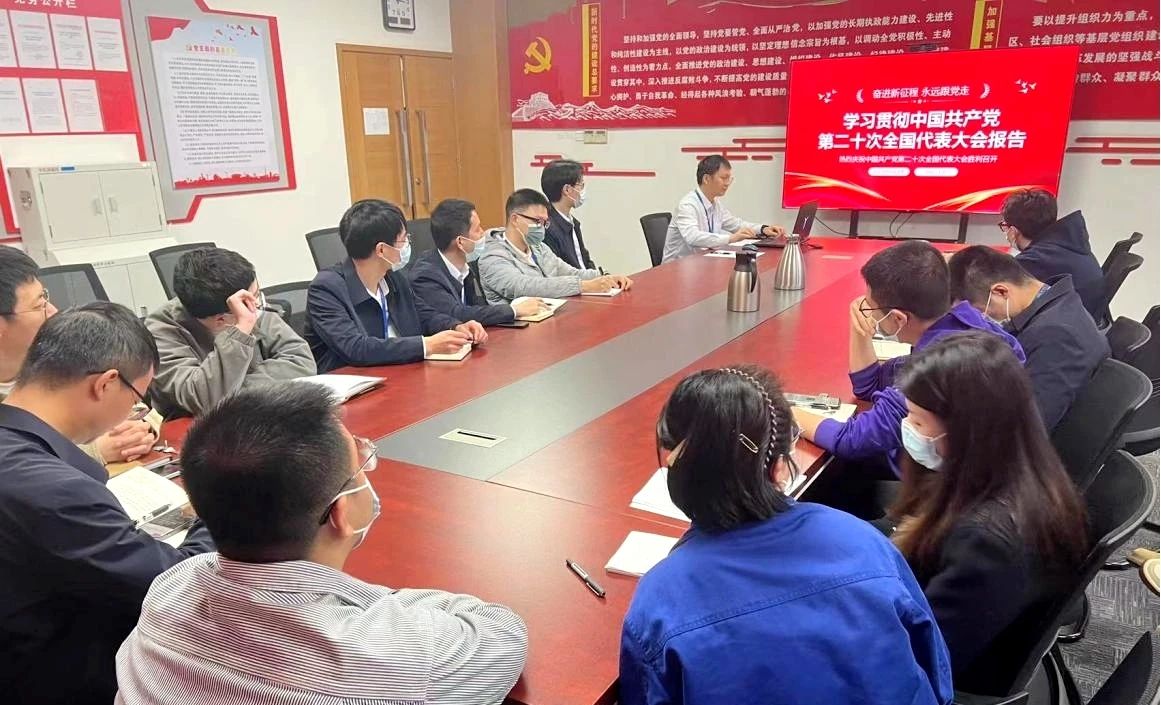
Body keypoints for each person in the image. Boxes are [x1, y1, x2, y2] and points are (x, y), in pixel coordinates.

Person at [116, 382, 528, 704]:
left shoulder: (170, 588)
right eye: (361, 464)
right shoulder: (390, 659)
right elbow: (502, 633)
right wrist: (376, 602)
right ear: (340, 512)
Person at [619, 365, 953, 705]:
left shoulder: (659, 602)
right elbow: (936, 677)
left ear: (674, 467)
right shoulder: (866, 543)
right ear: (780, 467)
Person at [0, 303, 214, 705]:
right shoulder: (55, 490)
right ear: (106, 384)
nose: (134, 411)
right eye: (137, 398)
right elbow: (176, 584)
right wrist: (217, 507)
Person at [891, 332, 1088, 695]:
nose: (908, 429)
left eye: (917, 421)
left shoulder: (988, 542)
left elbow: (923, 659)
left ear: (966, 429)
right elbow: (907, 526)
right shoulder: (1004, 468)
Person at [794, 240, 1024, 477]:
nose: (867, 312)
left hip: (945, 484)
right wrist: (859, 327)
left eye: (870, 308)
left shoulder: (941, 363)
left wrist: (787, 412)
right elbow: (869, 386)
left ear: (899, 319)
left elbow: (851, 439)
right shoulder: (960, 324)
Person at [0, 247, 159, 464]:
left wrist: (142, 430)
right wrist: (92, 452)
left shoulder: (51, 355)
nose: (54, 312)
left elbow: (139, 403)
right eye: (39, 306)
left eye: (46, 298)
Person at [306, 199, 485, 371]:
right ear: (381, 250)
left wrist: (455, 326)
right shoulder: (326, 289)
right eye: (403, 240)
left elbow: (424, 315)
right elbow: (356, 348)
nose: (408, 245)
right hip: (355, 383)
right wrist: (427, 345)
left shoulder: (393, 278)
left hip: (403, 373)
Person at [949, 245, 1109, 430]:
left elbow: (1030, 425)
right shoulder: (1056, 307)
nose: (983, 318)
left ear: (1001, 292)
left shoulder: (1057, 336)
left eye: (980, 311)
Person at [146, 247, 316, 417]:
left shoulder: (249, 302)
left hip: (260, 412)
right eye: (251, 300)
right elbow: (203, 398)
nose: (258, 304)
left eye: (257, 294)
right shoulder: (160, 330)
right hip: (195, 427)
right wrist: (241, 331)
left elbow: (301, 360)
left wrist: (232, 390)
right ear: (221, 319)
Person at [479, 189, 633, 304]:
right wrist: (583, 286)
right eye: (537, 221)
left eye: (545, 223)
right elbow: (523, 287)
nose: (541, 227)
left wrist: (604, 277)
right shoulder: (492, 256)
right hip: (515, 330)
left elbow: (568, 272)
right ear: (515, 219)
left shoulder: (538, 248)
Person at [410, 198, 548, 325]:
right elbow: (458, 314)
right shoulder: (425, 276)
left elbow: (478, 308)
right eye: (477, 230)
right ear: (460, 242)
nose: (483, 233)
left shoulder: (466, 266)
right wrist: (514, 310)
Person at [660, 155, 785, 263]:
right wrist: (730, 238)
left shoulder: (715, 203)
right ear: (706, 179)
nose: (727, 183)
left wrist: (763, 229)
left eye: (729, 179)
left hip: (702, 263)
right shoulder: (688, 205)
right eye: (724, 178)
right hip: (676, 269)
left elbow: (736, 224)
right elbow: (692, 237)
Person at [1000, 189, 1104, 317]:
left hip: (1063, 324)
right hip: (1083, 321)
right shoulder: (1071, 243)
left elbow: (1003, 307)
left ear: (1012, 231)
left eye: (1004, 227)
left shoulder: (1033, 262)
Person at [541, 158, 597, 269]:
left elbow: (585, 260)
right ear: (567, 189)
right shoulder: (548, 229)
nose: (582, 190)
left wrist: (602, 275)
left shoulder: (573, 223)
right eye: (580, 185)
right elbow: (559, 271)